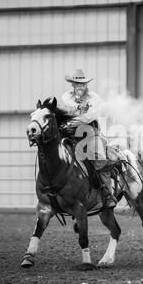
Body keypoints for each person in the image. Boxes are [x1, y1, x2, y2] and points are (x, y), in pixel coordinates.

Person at [58, 69, 117, 209]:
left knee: (100, 158)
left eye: (82, 83)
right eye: (77, 83)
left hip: (90, 131)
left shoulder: (95, 98)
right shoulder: (66, 96)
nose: (80, 86)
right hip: (70, 132)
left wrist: (76, 116)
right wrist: (78, 110)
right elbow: (69, 109)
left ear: (86, 85)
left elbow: (90, 116)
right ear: (72, 84)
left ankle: (108, 193)